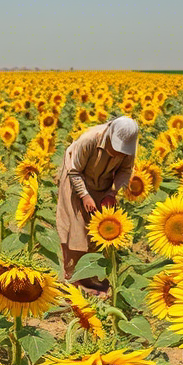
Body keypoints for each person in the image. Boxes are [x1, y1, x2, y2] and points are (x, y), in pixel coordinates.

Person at [56, 116, 138, 290]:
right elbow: (75, 170)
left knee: (98, 227)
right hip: (75, 177)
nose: (118, 154)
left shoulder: (128, 146)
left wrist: (112, 193)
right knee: (76, 227)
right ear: (109, 136)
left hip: (103, 182)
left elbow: (125, 170)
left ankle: (91, 274)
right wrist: (85, 195)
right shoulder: (89, 139)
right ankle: (72, 277)